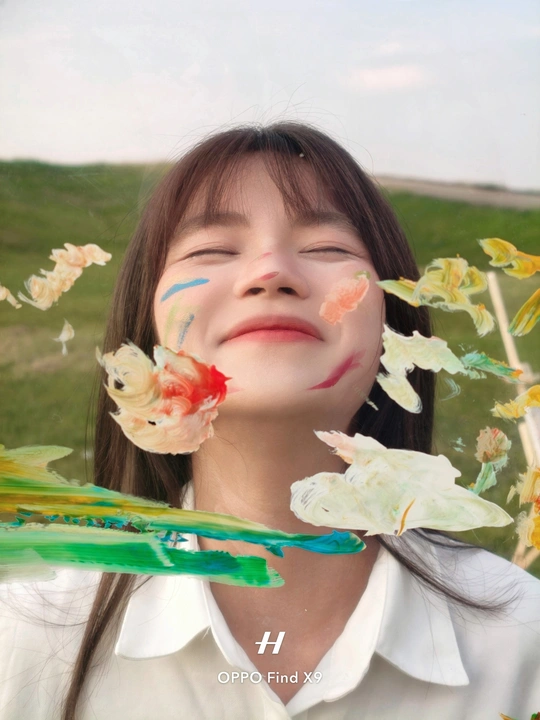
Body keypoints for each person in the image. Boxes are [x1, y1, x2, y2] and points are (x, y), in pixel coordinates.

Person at [1, 122, 539, 720]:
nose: (271, 271)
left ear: (396, 323)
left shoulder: (524, 639)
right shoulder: (22, 635)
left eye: (327, 248)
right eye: (211, 249)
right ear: (144, 332)